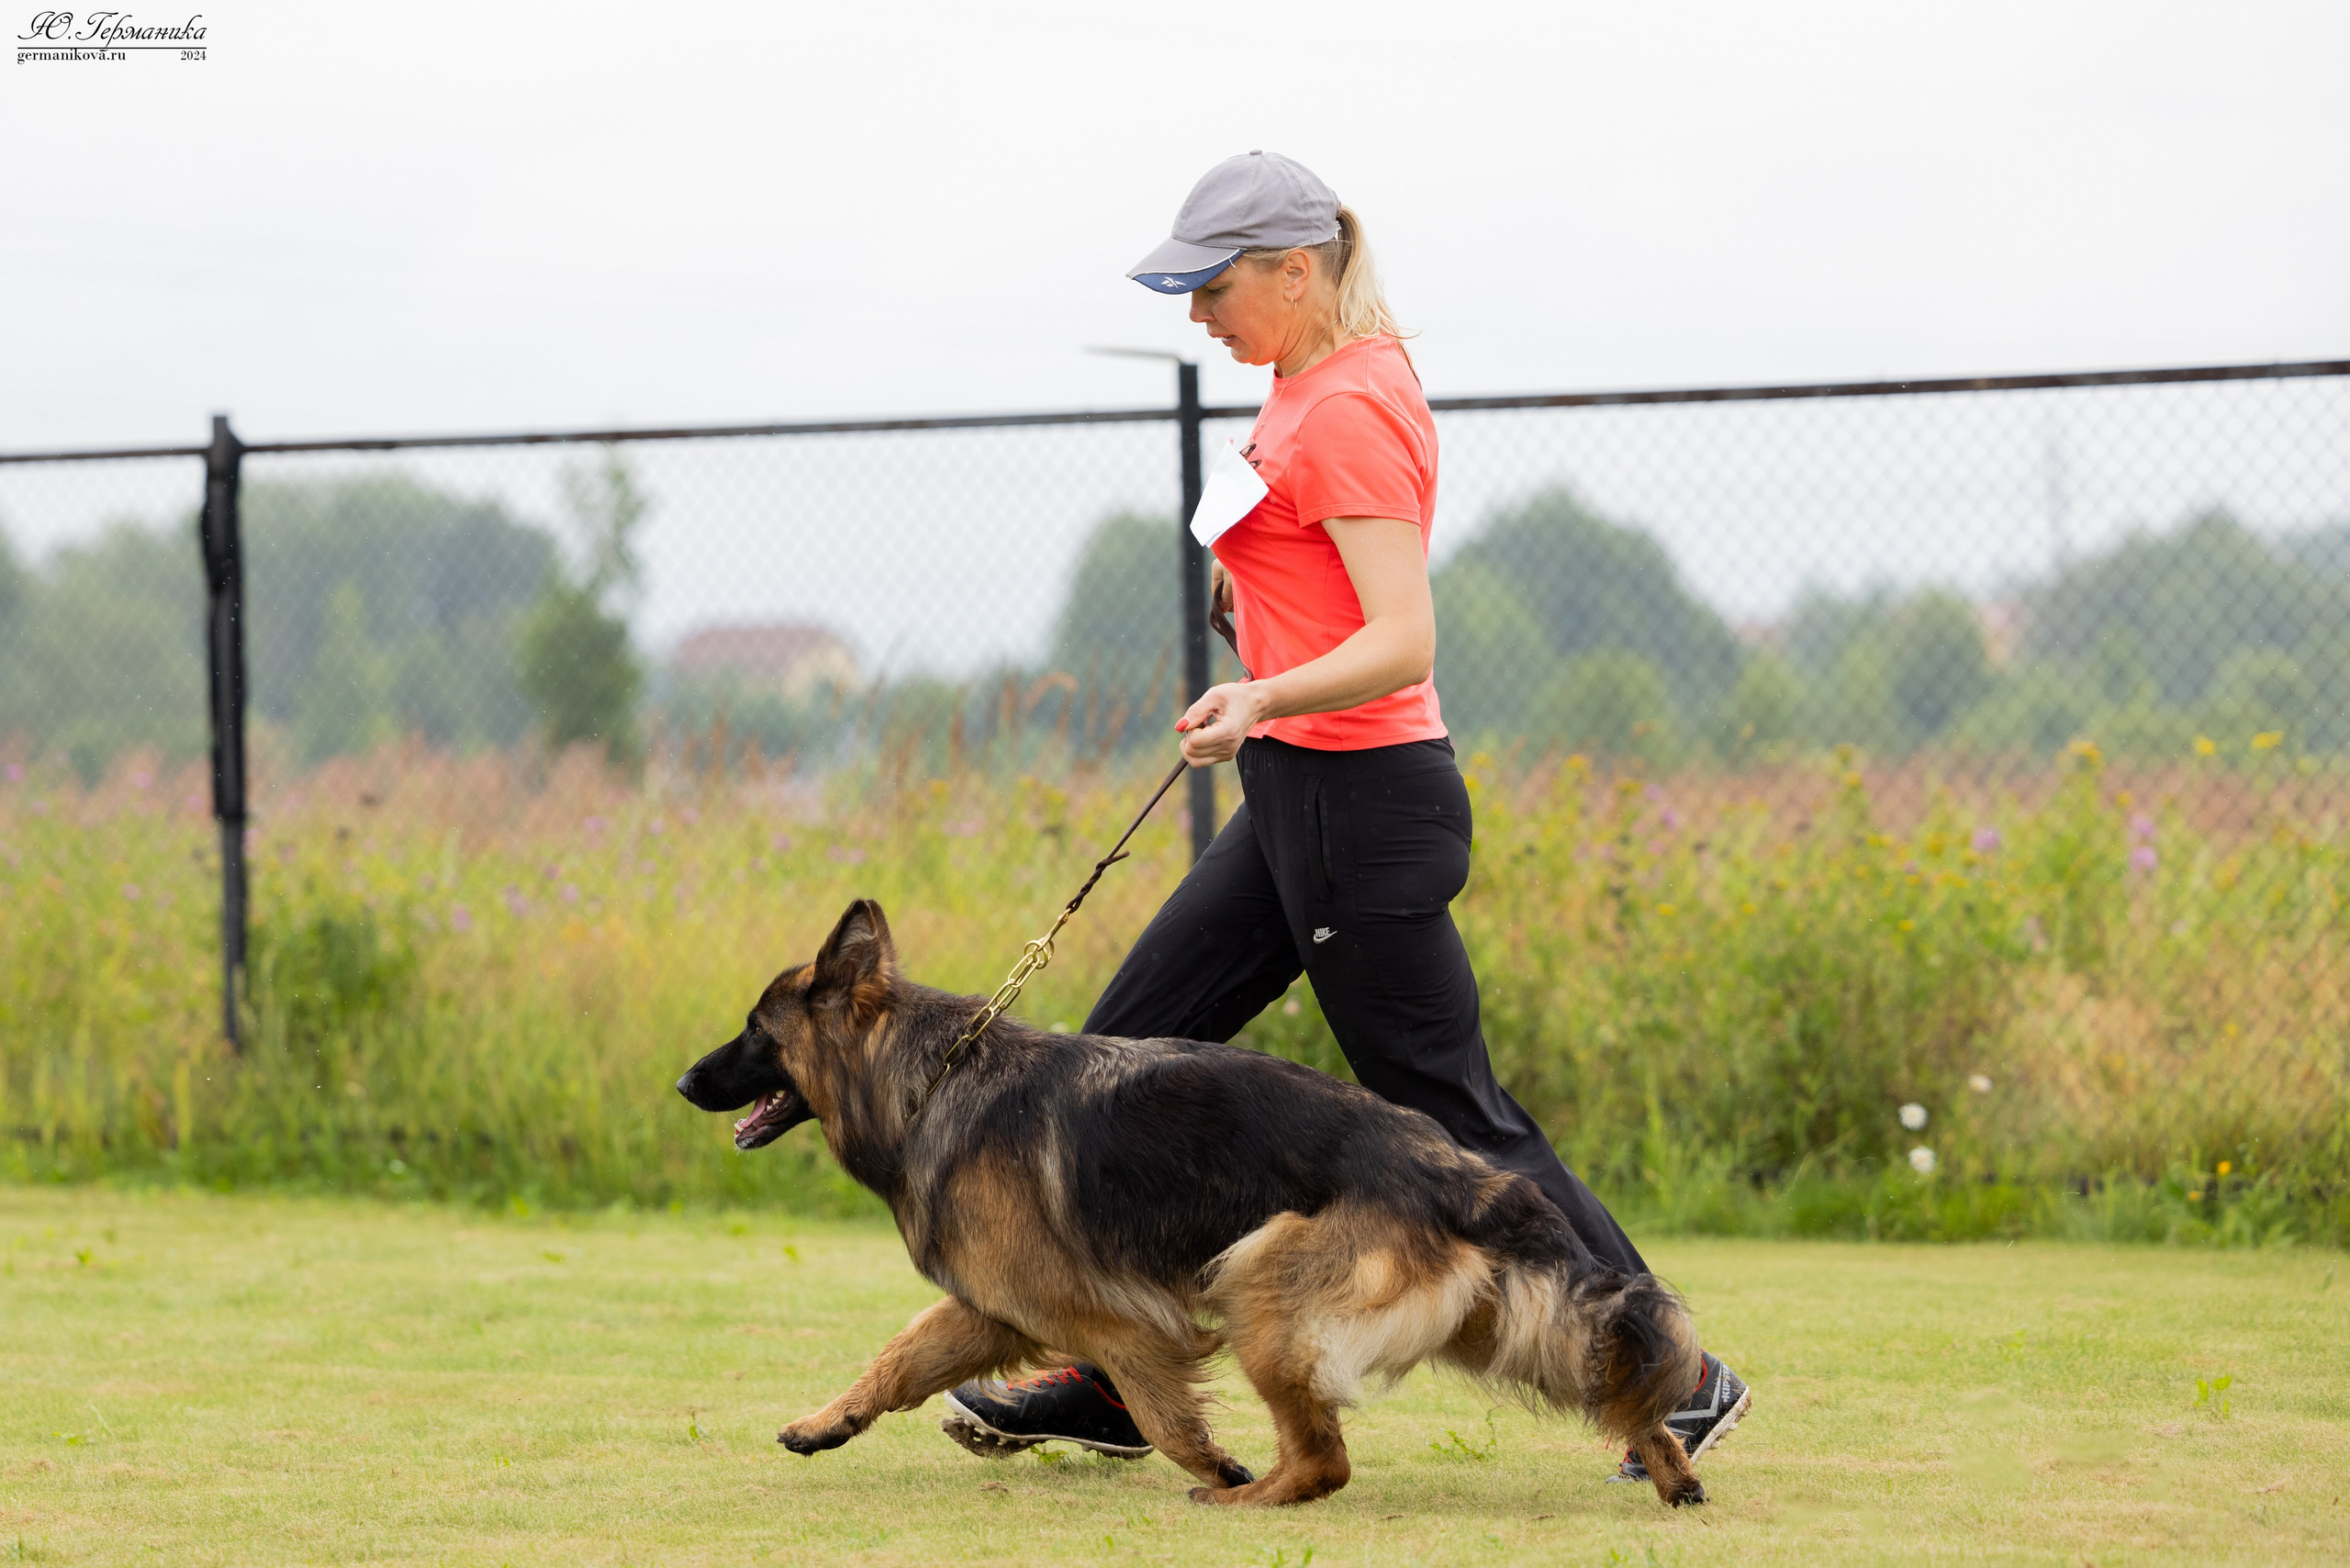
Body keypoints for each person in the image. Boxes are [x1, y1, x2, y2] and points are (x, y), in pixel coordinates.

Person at [940, 151, 1751, 1487]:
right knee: (1118, 1067)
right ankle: (1117, 1374)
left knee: (1455, 1123)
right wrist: (1250, 616)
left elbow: (1402, 636)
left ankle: (1677, 1373)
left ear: (1295, 270)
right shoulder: (1304, 386)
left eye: (1215, 288)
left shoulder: (1351, 404)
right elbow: (1311, 575)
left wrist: (1262, 693)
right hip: (1294, 795)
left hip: (1362, 807)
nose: (1199, 314)